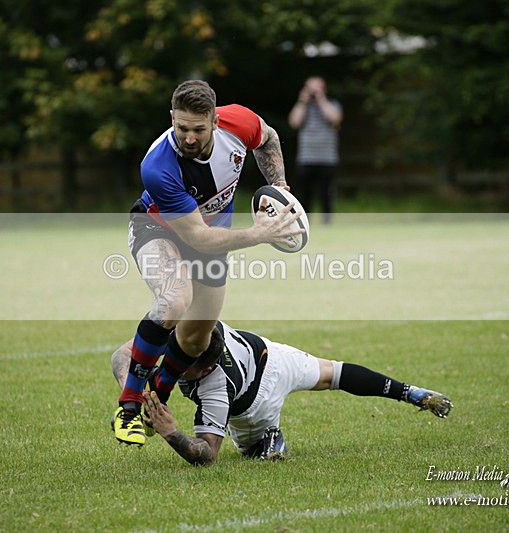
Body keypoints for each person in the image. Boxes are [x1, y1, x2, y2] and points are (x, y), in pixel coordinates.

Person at [113, 80, 303, 447]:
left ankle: (158, 395)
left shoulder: (239, 124)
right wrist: (262, 232)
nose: (188, 137)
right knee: (174, 299)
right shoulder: (158, 166)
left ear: (215, 121)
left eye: (198, 129)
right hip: (158, 227)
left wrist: (278, 187)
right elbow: (196, 237)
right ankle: (129, 407)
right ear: (172, 118)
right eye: (181, 128)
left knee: (197, 337)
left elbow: (268, 138)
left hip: (213, 236)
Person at [111, 321, 453, 465]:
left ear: (203, 370)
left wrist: (171, 432)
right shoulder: (195, 329)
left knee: (249, 450)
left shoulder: (215, 388)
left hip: (254, 403)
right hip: (273, 355)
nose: (171, 358)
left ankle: (267, 440)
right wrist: (136, 391)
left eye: (180, 362)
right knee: (332, 373)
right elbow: (121, 356)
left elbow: (207, 455)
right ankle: (413, 393)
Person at [287, 76, 343, 224]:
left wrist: (321, 99)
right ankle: (305, 222)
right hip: (306, 157)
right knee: (305, 194)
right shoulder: (303, 107)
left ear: (324, 89)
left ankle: (327, 222)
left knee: (326, 194)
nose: (313, 92)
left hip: (327, 158)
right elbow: (294, 122)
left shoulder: (332, 104)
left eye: (316, 88)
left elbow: (335, 119)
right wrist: (302, 101)